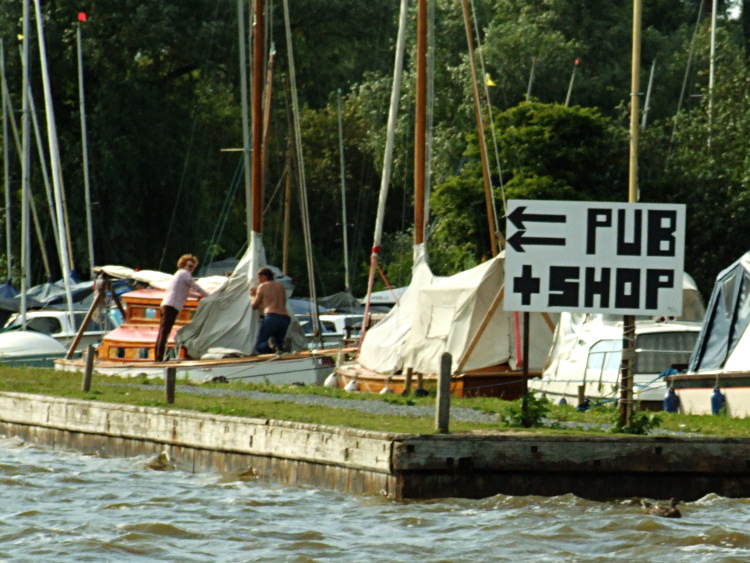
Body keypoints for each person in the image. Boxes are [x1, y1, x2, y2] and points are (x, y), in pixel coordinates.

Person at [154, 254, 208, 362]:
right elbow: (195, 286)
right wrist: (208, 295)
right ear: (183, 265)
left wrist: (199, 296)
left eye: (193, 267)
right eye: (190, 266)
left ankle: (160, 356)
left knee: (164, 332)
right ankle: (159, 358)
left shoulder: (179, 274)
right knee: (164, 332)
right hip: (171, 306)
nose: (191, 269)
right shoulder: (184, 273)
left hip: (169, 305)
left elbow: (186, 293)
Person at [250, 267, 290, 354]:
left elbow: (254, 306)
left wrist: (253, 295)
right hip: (285, 317)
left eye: (259, 278)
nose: (258, 281)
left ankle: (268, 344)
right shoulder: (281, 286)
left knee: (260, 345)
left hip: (272, 316)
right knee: (278, 345)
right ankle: (282, 345)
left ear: (264, 277)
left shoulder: (262, 286)